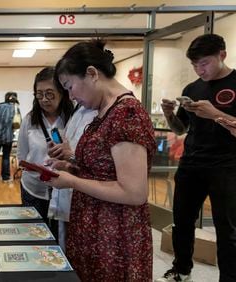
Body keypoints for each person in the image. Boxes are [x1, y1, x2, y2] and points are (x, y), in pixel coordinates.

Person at [48, 40, 156, 281]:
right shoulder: (103, 112)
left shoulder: (126, 115)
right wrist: (71, 167)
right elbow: (103, 170)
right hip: (93, 229)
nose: (71, 96)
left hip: (115, 235)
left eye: (70, 86)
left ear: (92, 74)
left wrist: (73, 182)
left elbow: (134, 192)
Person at [158, 34, 236, 282]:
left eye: (204, 63)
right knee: (182, 222)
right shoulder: (192, 89)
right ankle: (182, 270)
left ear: (222, 55)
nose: (199, 69)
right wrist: (169, 114)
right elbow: (180, 129)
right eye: (194, 65)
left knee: (227, 230)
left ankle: (229, 278)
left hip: (227, 165)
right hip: (191, 163)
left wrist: (214, 113)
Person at [17, 67, 75, 221]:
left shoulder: (73, 118)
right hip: (33, 187)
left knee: (60, 236)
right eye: (39, 94)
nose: (44, 99)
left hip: (65, 189)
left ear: (62, 92)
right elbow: (22, 154)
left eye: (49, 94)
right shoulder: (30, 120)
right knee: (33, 233)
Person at [46, 102, 97, 251]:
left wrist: (71, 157)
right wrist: (63, 161)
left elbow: (99, 166)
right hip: (68, 191)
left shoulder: (107, 113)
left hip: (87, 198)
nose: (72, 95)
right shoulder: (79, 109)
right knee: (66, 246)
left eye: (70, 85)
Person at [0, 91, 20, 182]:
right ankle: (5, 177)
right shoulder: (15, 108)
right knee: (6, 157)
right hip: (8, 137)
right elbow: (18, 123)